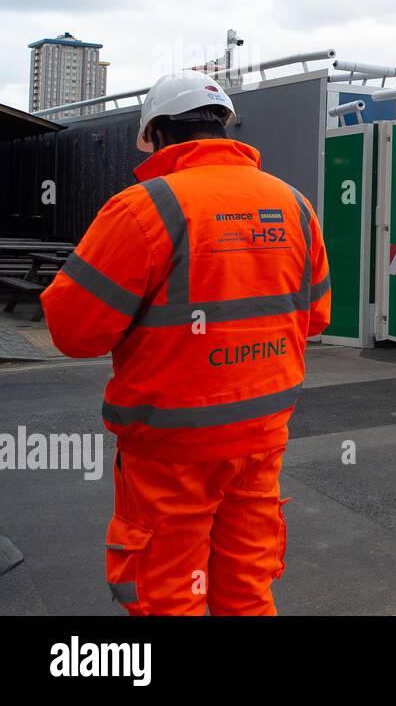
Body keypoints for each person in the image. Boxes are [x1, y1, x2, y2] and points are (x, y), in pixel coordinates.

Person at [41, 70, 331, 615]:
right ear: (224, 127)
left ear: (154, 133)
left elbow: (73, 333)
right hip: (260, 440)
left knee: (166, 590)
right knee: (245, 586)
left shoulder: (141, 208)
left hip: (170, 447)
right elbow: (315, 317)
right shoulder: (293, 204)